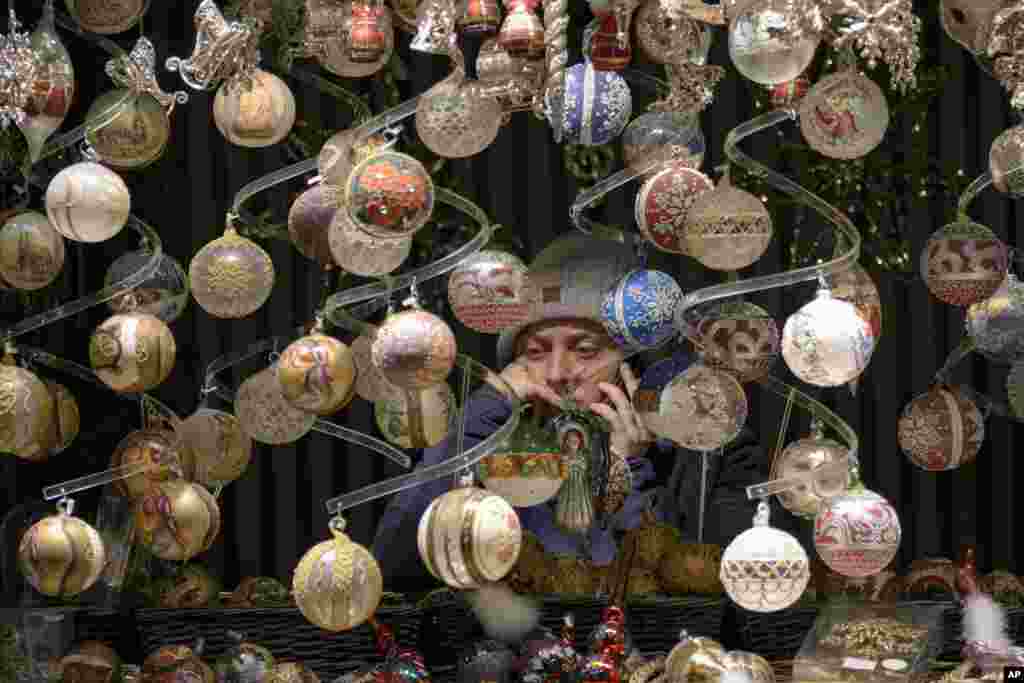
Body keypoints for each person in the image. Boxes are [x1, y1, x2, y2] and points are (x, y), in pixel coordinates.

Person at [371, 233, 770, 593]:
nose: (559, 374)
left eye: (585, 350)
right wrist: (484, 413)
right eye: (536, 352)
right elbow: (394, 567)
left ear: (636, 366)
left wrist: (629, 475)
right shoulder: (490, 449)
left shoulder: (710, 456)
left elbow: (698, 599)